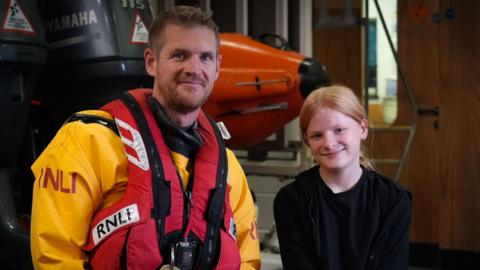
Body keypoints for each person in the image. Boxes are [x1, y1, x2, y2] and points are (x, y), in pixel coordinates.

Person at [30, 6, 260, 270]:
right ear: (151, 62)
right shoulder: (87, 140)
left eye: (206, 57)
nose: (194, 68)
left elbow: (248, 262)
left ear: (217, 67)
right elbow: (56, 257)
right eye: (179, 55)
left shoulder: (229, 168)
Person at [273, 85, 411, 270]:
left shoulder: (393, 199)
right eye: (317, 135)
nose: (329, 143)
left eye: (339, 130)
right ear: (307, 140)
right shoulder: (291, 200)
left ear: (362, 128)